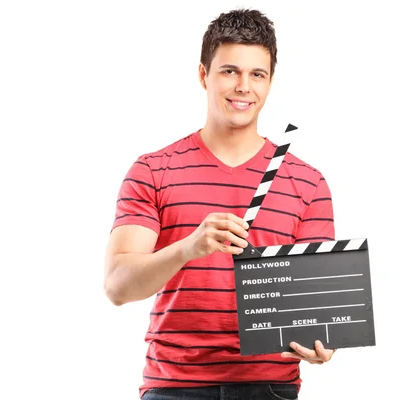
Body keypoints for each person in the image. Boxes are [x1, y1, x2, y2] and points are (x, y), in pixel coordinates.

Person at [104, 8, 336, 400]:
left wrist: (320, 340)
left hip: (271, 387)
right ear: (203, 75)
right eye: (229, 71)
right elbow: (117, 286)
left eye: (256, 74)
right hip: (175, 386)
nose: (243, 86)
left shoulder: (307, 182)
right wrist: (187, 247)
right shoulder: (153, 170)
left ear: (270, 82)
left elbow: (316, 311)